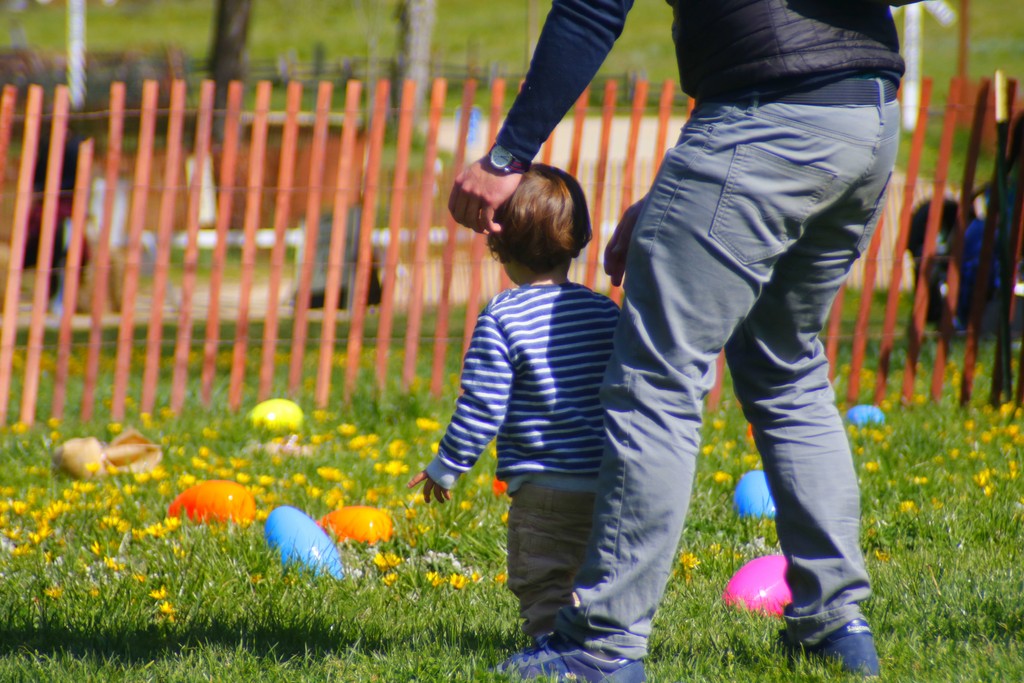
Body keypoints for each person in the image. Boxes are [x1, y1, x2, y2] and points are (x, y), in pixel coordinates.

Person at [448, 1, 909, 680]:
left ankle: (600, 643)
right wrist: (679, 188)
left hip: (764, 118)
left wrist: (508, 153)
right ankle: (835, 623)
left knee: (654, 381)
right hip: (865, 116)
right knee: (786, 365)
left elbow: (590, 9)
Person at [408, 164, 621, 643]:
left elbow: (483, 405)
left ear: (497, 244)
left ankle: (553, 655)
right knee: (595, 577)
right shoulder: (605, 311)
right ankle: (601, 647)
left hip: (544, 486)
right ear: (580, 236)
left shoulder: (503, 317)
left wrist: (447, 464)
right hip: (608, 482)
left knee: (543, 581)